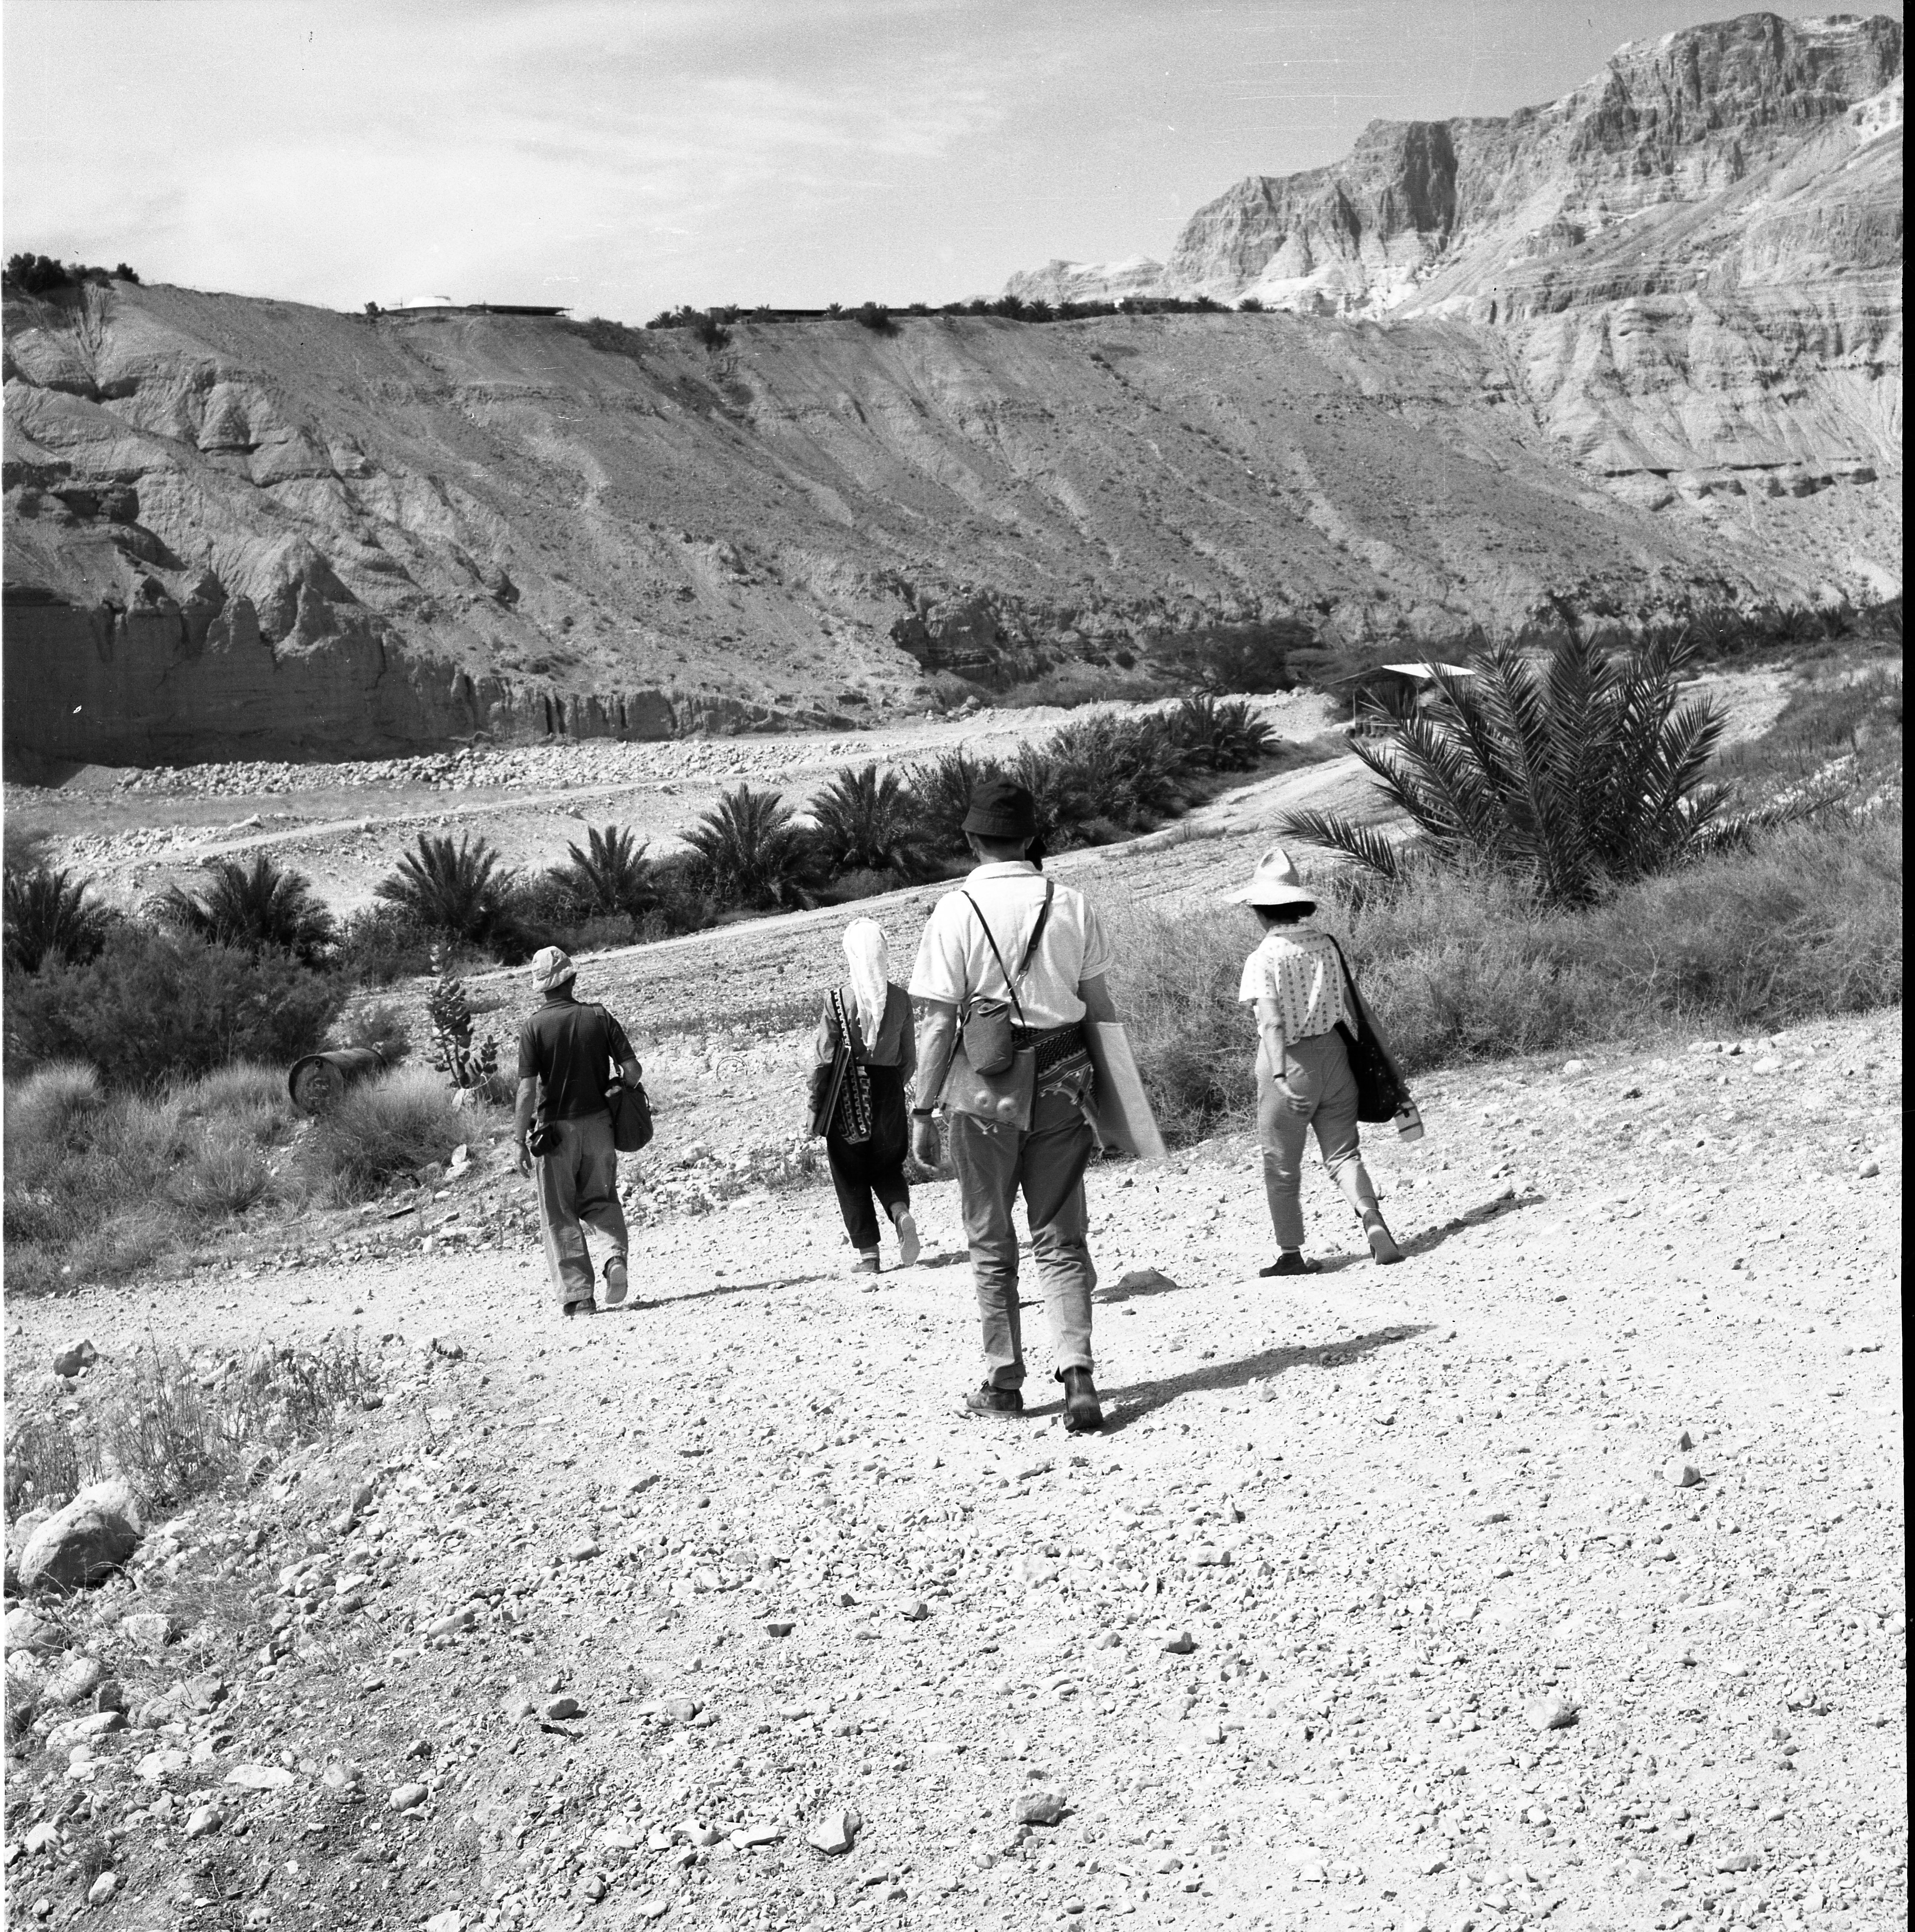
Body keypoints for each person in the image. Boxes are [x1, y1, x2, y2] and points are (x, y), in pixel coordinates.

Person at [909, 776, 1116, 1431]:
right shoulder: (1072, 903)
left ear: (971, 839)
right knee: (1059, 1232)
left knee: (989, 1237)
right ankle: (1077, 1369)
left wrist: (921, 1108)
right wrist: (1121, 1106)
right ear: (1031, 837)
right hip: (1063, 1079)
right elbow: (1101, 1011)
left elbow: (940, 1024)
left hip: (982, 1087)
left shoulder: (954, 911)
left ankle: (1004, 1380)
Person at [1235, 845, 1402, 1274]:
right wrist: (1389, 1063)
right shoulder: (1327, 945)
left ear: (1259, 908)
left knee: (1281, 1162)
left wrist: (1279, 1075)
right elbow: (1358, 1006)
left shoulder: (1262, 958)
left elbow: (1271, 1023)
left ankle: (1290, 1253)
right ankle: (1372, 1220)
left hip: (1289, 1061)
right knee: (1344, 1154)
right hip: (1335, 1054)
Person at [514, 945, 643, 1317]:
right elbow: (633, 1072)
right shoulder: (599, 1017)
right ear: (572, 978)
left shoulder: (533, 1027)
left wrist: (518, 1141)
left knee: (560, 1212)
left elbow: (526, 1090)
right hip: (600, 1126)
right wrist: (618, 1085)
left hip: (555, 1133)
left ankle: (579, 1297)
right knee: (601, 1199)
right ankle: (614, 1260)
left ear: (541, 986)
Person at [815, 919, 921, 1274]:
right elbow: (910, 1060)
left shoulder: (837, 1000)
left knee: (850, 1173)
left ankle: (869, 1257)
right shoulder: (902, 999)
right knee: (886, 1164)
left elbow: (824, 1061)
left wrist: (817, 1108)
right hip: (889, 1089)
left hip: (847, 1096)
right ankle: (900, 1213)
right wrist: (889, 1085)